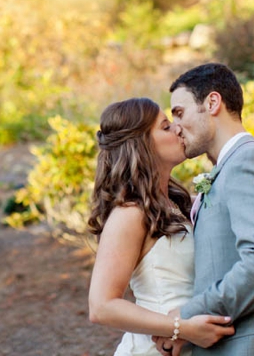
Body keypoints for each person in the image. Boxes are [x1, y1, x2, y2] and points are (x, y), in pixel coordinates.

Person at [154, 63, 254, 356]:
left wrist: (188, 315)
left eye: (179, 112)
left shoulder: (249, 162)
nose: (175, 126)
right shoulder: (229, 169)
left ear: (212, 102)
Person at [88, 97, 235, 356]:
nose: (178, 128)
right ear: (141, 145)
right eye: (166, 126)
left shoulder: (178, 203)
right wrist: (181, 329)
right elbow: (101, 306)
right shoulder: (131, 214)